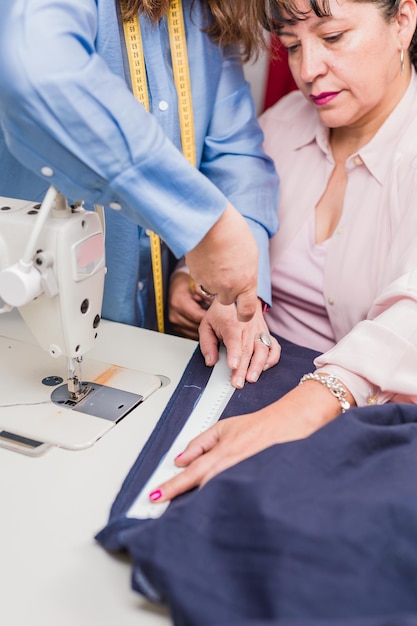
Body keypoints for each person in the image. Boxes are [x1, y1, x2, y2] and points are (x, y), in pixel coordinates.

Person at [150, 0, 417, 503]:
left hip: (333, 409)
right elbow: (228, 224)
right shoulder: (282, 124)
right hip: (237, 383)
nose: (308, 71)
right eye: (292, 46)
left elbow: (410, 320)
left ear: (402, 21)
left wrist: (296, 412)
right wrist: (191, 280)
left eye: (333, 37)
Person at [0, 0, 281, 388]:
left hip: (146, 337)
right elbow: (37, 70)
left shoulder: (209, 9)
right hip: (16, 333)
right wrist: (199, 224)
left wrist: (233, 289)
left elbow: (236, 155)